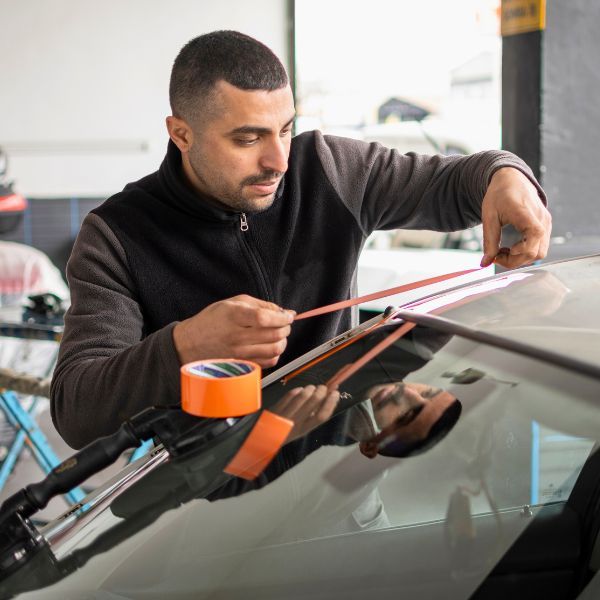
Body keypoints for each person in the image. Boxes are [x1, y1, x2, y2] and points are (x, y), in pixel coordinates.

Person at [50, 30, 551, 449]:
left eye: (286, 129)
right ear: (181, 134)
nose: (279, 161)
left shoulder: (330, 170)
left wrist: (506, 175)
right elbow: (76, 410)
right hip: (202, 515)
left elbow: (457, 181)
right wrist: (184, 345)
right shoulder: (117, 235)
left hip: (335, 481)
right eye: (248, 139)